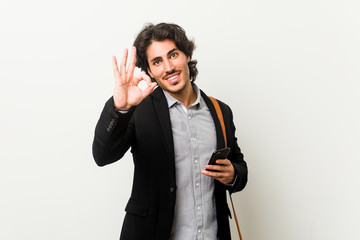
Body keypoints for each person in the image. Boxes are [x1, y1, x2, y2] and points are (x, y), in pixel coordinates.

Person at [92, 23, 248, 240]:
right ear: (149, 71)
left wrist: (234, 175)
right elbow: (102, 156)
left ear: (186, 55)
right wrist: (121, 108)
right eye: (157, 62)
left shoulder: (221, 112)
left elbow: (239, 165)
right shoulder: (139, 111)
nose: (168, 67)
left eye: (173, 55)